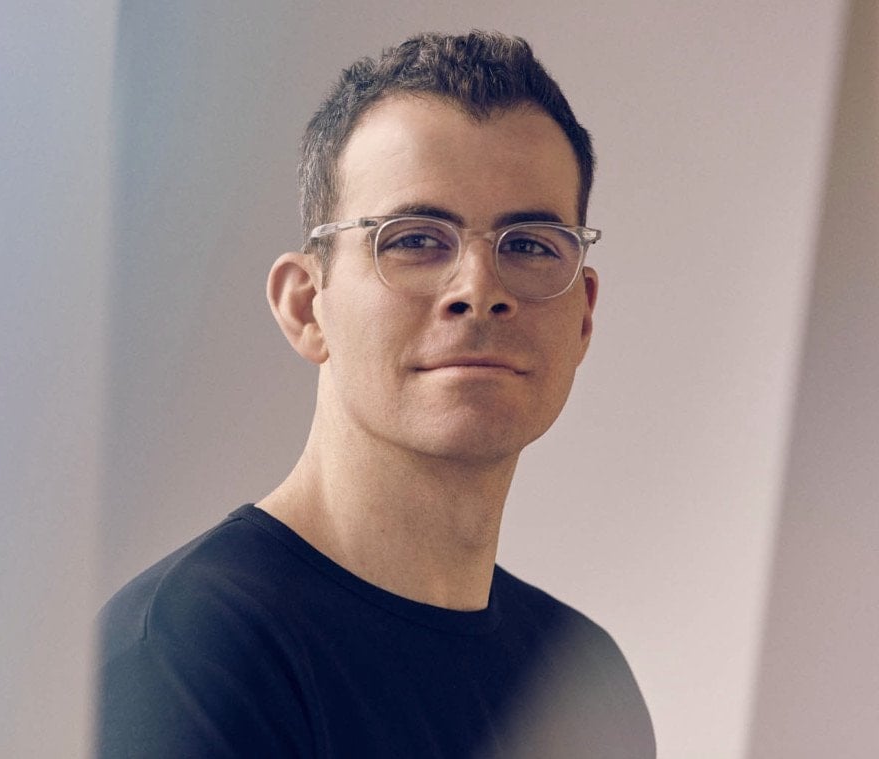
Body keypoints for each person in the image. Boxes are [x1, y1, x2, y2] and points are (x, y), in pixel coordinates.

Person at [96, 30, 655, 758]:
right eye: (415, 239)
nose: (479, 289)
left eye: (528, 244)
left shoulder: (585, 682)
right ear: (306, 306)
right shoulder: (187, 655)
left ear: (582, 316)